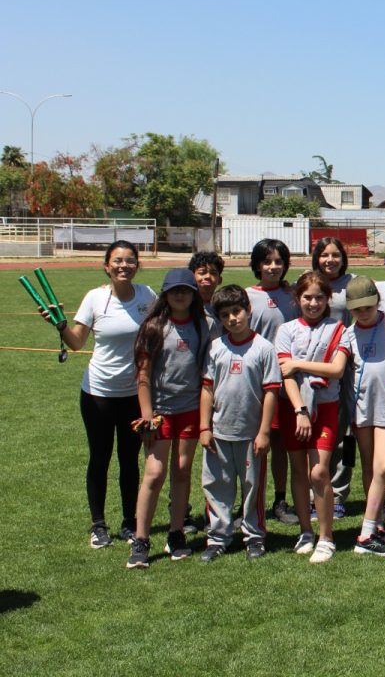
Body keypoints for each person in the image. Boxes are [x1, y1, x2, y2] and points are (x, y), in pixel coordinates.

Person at [50, 240, 156, 548]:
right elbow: (77, 343)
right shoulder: (95, 298)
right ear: (106, 266)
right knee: (100, 458)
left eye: (130, 260)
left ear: (138, 265)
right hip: (97, 393)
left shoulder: (148, 296)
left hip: (134, 393)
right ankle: (98, 525)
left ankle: (129, 521)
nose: (124, 265)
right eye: (118, 261)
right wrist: (60, 326)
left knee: (129, 460)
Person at [126, 269, 208, 568]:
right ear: (165, 294)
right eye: (175, 290)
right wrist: (147, 417)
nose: (180, 295)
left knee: (183, 470)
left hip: (189, 410)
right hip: (160, 413)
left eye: (186, 290)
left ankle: (176, 533)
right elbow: (143, 376)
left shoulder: (203, 325)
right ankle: (141, 539)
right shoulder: (153, 327)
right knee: (154, 473)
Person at [199, 285, 281, 562]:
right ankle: (218, 537)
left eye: (237, 311)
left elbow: (271, 391)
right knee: (217, 486)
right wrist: (204, 427)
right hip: (219, 431)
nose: (233, 319)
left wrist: (264, 432)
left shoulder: (264, 348)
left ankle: (254, 535)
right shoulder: (215, 348)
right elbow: (207, 389)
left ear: (248, 310)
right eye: (225, 315)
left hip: (251, 434)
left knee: (252, 487)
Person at [274, 271, 350, 563]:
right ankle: (306, 532)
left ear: (328, 299)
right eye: (307, 297)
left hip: (327, 406)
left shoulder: (339, 328)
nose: (313, 303)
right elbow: (285, 374)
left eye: (319, 297)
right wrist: (300, 411)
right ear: (298, 299)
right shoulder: (286, 329)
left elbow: (337, 370)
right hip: (294, 408)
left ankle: (326, 537)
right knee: (298, 471)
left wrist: (298, 363)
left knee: (318, 472)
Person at [341, 276, 385, 557]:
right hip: (361, 409)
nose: (363, 313)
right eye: (357, 309)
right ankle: (379, 523)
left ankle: (366, 532)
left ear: (378, 302)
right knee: (370, 469)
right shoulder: (348, 333)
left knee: (384, 468)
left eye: (368, 308)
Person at [247, 239, 301, 526]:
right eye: (267, 261)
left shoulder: (294, 295)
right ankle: (249, 501)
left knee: (280, 443)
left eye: (278, 261)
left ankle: (280, 499)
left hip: (288, 380)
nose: (273, 267)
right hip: (254, 382)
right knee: (252, 444)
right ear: (257, 265)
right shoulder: (246, 297)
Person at [313, 235, 359, 521]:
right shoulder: (308, 284)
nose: (330, 260)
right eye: (324, 255)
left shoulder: (354, 283)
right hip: (315, 368)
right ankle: (314, 492)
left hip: (348, 367)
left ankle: (340, 492)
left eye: (336, 255)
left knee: (347, 434)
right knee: (317, 432)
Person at [188, 251, 225, 337]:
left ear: (220, 280)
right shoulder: (186, 304)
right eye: (202, 272)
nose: (208, 276)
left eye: (213, 273)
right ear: (192, 277)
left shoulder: (224, 304)